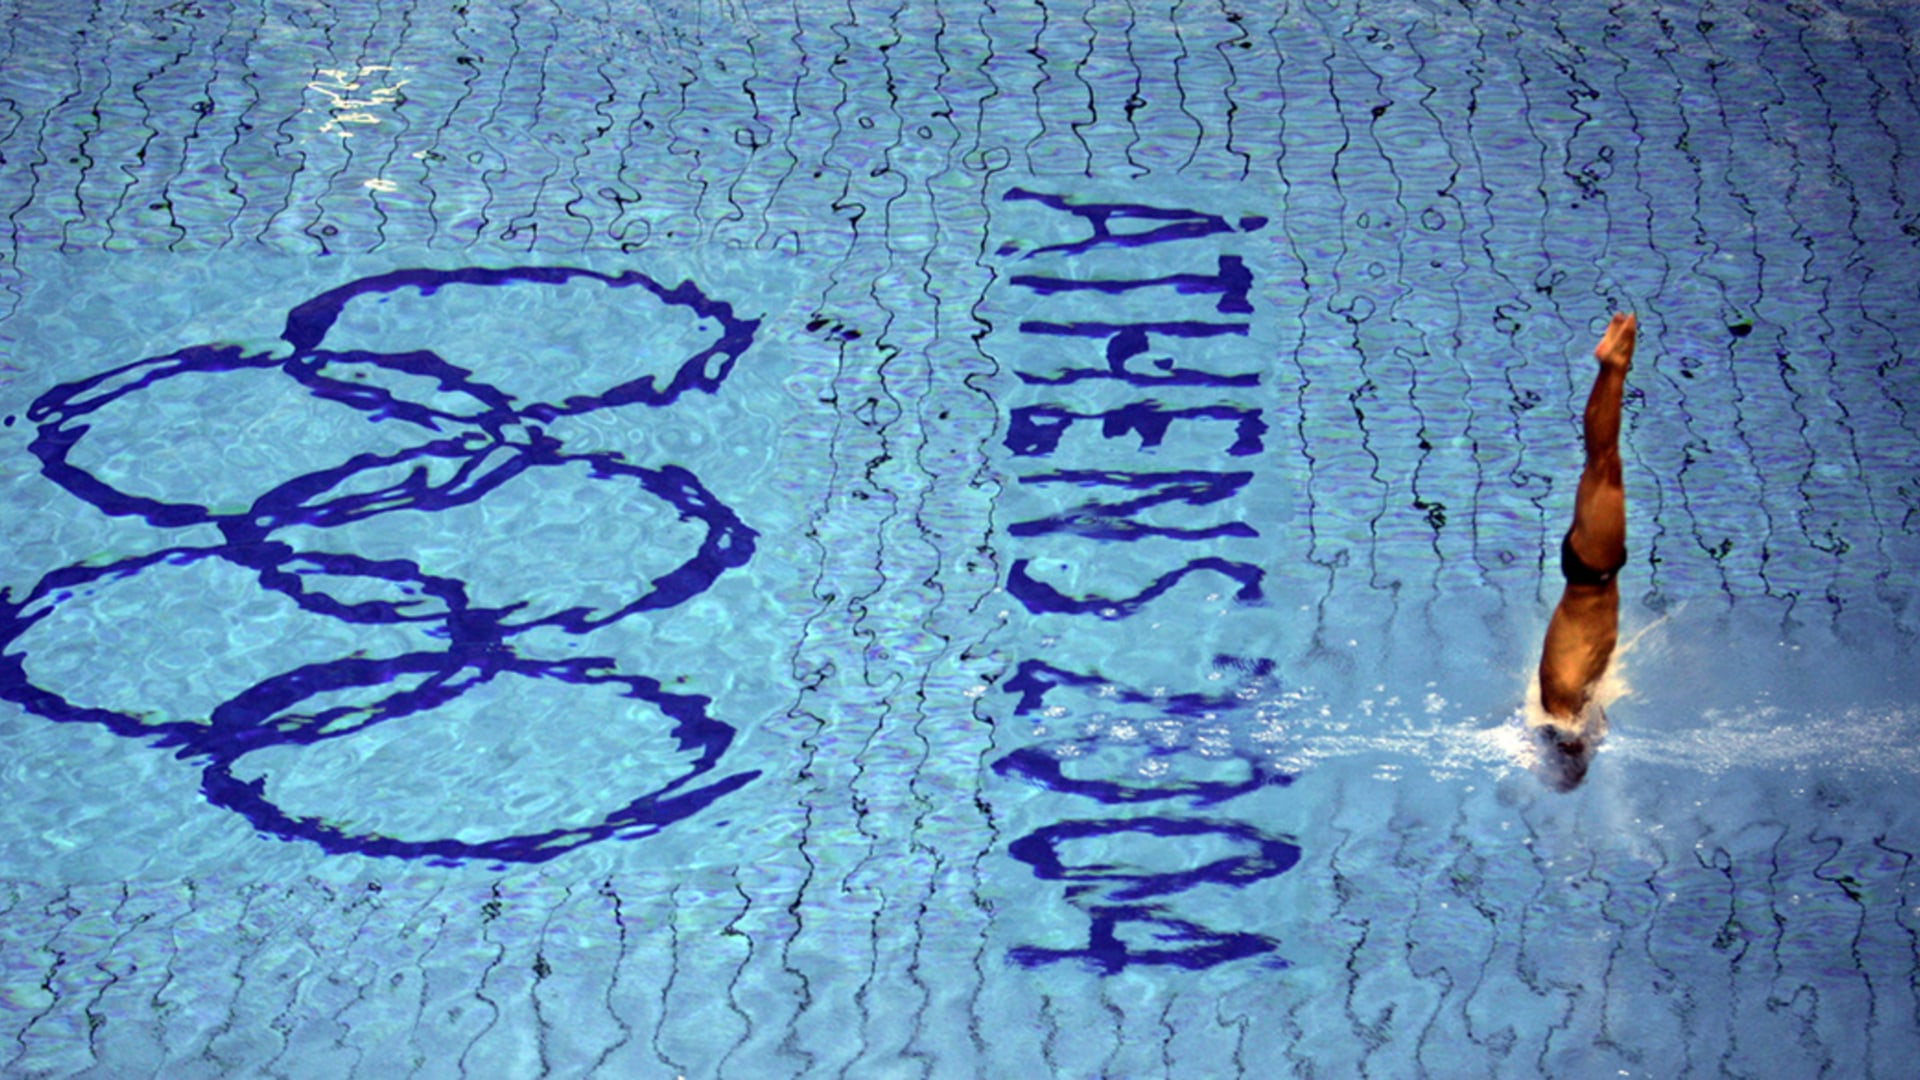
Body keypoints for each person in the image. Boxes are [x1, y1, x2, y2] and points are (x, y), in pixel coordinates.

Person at [1532, 312, 1636, 791]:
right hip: (1591, 575)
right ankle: (1611, 370)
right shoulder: (1566, 705)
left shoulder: (1564, 703)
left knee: (1604, 464)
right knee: (1602, 467)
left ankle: (1612, 368)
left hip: (1594, 572)